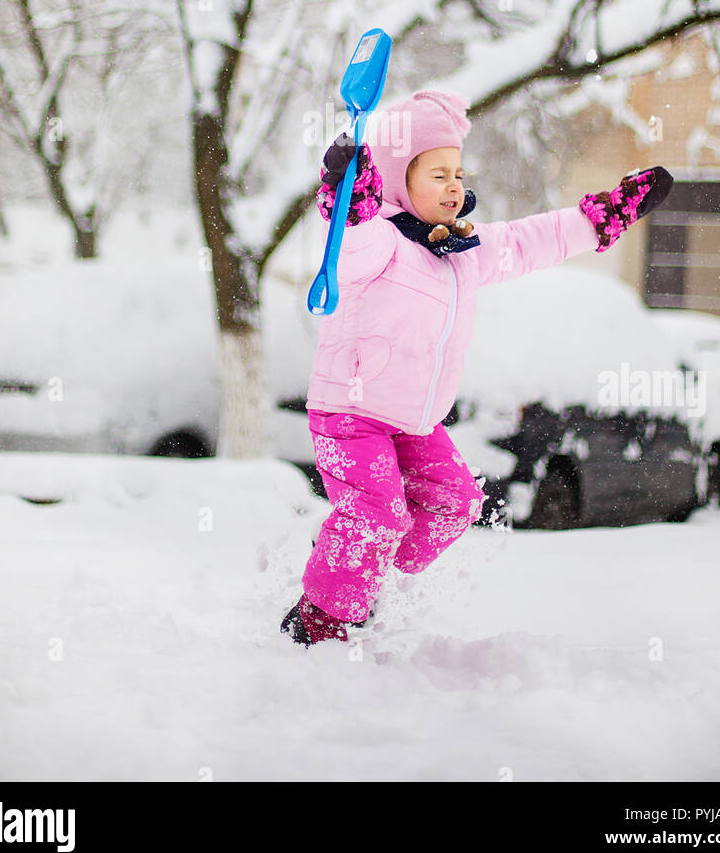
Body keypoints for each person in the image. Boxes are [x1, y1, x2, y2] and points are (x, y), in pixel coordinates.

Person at [281, 89, 673, 646]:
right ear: (398, 180)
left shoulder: (462, 250)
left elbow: (530, 240)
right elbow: (345, 251)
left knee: (455, 502)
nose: (453, 185)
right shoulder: (378, 239)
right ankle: (318, 622)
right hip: (350, 413)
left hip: (413, 421)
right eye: (437, 173)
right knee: (376, 514)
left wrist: (601, 216)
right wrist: (350, 198)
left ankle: (363, 577)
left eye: (458, 173)